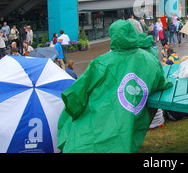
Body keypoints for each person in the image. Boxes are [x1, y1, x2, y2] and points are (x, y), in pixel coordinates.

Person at [56, 19, 172, 153]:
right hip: (125, 123)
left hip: (97, 122)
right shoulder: (150, 59)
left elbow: (77, 94)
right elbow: (162, 82)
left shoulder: (101, 62)